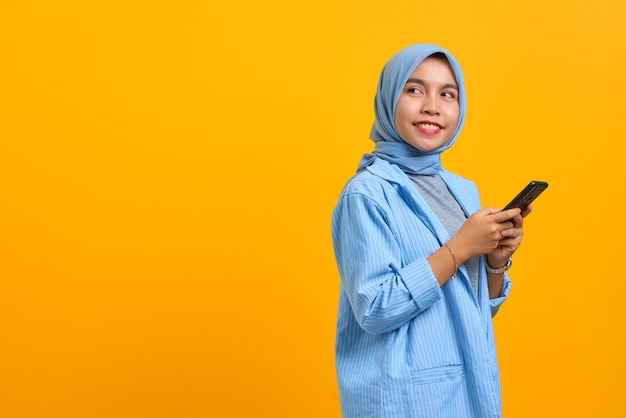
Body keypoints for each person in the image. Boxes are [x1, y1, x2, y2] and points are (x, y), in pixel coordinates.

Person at [331, 43, 531, 417]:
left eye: (447, 94)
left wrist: (493, 263)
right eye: (415, 90)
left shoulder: (461, 189)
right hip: (402, 399)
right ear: (389, 98)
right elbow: (375, 308)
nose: (432, 107)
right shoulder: (367, 193)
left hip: (468, 390)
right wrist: (460, 247)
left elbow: (471, 310)